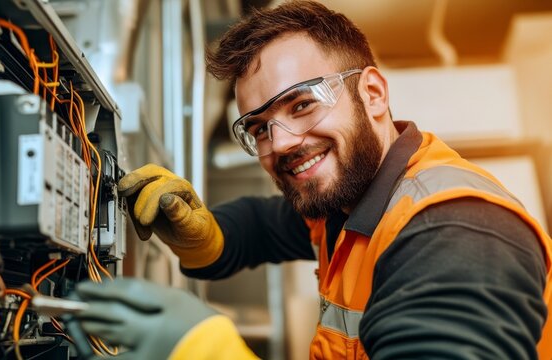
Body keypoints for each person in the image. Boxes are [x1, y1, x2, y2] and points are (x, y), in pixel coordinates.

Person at [74, 1, 552, 358]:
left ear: (372, 93)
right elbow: (265, 225)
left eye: (302, 104)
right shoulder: (350, 200)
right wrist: (207, 239)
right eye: (258, 128)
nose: (280, 144)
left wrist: (207, 351)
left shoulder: (455, 234)